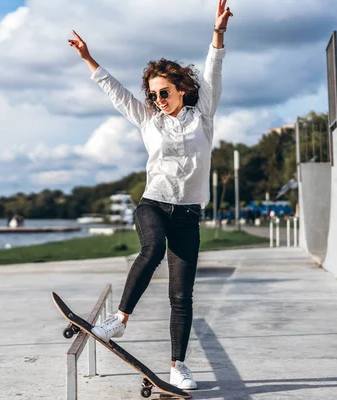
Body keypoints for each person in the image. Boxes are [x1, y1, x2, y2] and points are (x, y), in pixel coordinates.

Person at [68, 0, 233, 391]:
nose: (158, 99)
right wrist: (89, 59)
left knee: (181, 295)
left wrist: (218, 33)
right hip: (154, 204)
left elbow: (214, 68)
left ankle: (178, 365)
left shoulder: (203, 115)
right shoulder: (148, 120)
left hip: (189, 214)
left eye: (165, 93)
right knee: (151, 247)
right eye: (154, 94)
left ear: (181, 90)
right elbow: (115, 92)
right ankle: (119, 321)